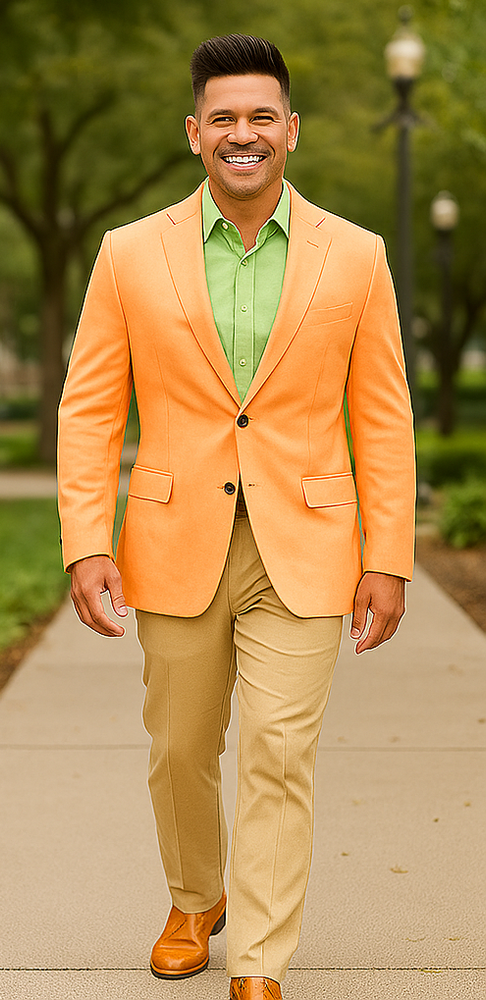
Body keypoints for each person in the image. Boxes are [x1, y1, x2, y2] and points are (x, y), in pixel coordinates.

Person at [57, 33, 415, 1000]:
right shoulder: (129, 254)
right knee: (180, 750)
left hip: (308, 544)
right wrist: (87, 540)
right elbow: (91, 407)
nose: (243, 133)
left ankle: (259, 958)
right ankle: (193, 896)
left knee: (280, 751)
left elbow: (382, 413)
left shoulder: (358, 255)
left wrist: (389, 555)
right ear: (194, 133)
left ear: (291, 131)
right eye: (224, 117)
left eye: (262, 116)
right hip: (173, 541)